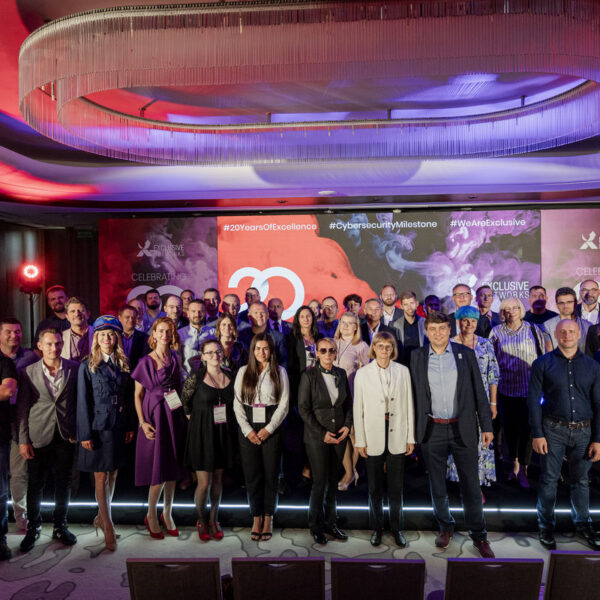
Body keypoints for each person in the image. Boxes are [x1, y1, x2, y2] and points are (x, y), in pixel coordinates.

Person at [410, 312, 495, 558]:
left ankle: (479, 535)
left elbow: (479, 392)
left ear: (450, 330)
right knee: (437, 484)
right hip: (431, 428)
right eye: (433, 329)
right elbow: (412, 395)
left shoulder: (465, 354)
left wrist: (487, 427)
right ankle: (445, 527)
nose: (438, 333)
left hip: (462, 427)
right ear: (427, 332)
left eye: (442, 328)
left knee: (471, 485)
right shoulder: (416, 356)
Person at [528, 319, 600, 550]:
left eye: (571, 331)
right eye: (563, 332)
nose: (567, 335)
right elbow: (533, 401)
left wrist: (598, 439)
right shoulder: (542, 363)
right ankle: (545, 526)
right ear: (556, 335)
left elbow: (598, 403)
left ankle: (583, 524)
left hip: (584, 432)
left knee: (581, 481)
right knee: (549, 479)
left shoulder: (593, 366)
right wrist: (537, 433)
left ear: (579, 334)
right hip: (552, 430)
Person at [16, 329, 78, 553]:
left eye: (58, 343)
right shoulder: (27, 372)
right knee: (36, 484)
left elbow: (79, 402)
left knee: (63, 483)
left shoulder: (74, 368)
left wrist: (78, 430)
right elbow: (22, 408)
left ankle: (60, 526)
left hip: (65, 434)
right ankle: (34, 526)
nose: (54, 348)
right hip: (38, 434)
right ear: (40, 346)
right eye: (49, 344)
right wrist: (23, 440)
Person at [77, 316, 135, 552]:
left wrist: (130, 425)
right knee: (100, 476)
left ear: (117, 337)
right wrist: (85, 434)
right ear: (96, 338)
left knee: (113, 474)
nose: (107, 338)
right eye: (102, 335)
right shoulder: (87, 365)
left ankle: (102, 518)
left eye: (111, 334)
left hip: (118, 426)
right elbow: (83, 402)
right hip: (98, 429)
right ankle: (108, 527)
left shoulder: (123, 363)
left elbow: (128, 399)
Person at [354, 331, 415, 547]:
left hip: (397, 431)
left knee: (396, 487)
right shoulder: (363, 374)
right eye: (380, 346)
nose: (384, 350)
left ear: (393, 349)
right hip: (372, 434)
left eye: (388, 346)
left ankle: (397, 528)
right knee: (375, 487)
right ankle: (377, 528)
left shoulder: (403, 371)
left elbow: (409, 405)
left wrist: (410, 437)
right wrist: (360, 440)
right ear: (374, 348)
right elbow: (358, 409)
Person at [132, 317, 186, 539]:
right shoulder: (145, 362)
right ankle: (151, 514)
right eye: (161, 331)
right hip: (154, 416)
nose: (165, 334)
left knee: (173, 467)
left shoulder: (175, 358)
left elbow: (179, 389)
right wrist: (142, 422)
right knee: (158, 469)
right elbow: (137, 395)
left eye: (168, 331)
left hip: (174, 415)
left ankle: (167, 513)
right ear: (154, 334)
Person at [234, 333, 289, 541]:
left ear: (271, 350)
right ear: (252, 350)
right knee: (252, 475)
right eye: (257, 348)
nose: (261, 352)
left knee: (271, 475)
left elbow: (284, 404)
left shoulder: (280, 371)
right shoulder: (243, 371)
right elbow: (237, 403)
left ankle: (268, 518)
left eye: (265, 348)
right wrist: (247, 430)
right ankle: (256, 517)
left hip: (271, 423)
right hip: (248, 424)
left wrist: (270, 428)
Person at [489, 297, 549, 488]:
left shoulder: (533, 329)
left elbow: (542, 358)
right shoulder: (496, 332)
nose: (511, 312)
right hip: (506, 390)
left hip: (529, 390)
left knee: (527, 431)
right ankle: (514, 465)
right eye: (507, 309)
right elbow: (491, 362)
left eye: (515, 308)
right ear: (502, 313)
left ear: (521, 310)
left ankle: (524, 468)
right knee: (510, 430)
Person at [299, 337, 352, 545]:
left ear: (336, 352)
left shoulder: (341, 373)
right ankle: (316, 526)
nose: (328, 354)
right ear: (317, 353)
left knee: (333, 481)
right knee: (320, 482)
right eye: (323, 350)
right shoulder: (309, 376)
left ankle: (331, 523)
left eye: (331, 350)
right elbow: (303, 409)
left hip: (339, 435)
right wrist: (322, 433)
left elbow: (348, 404)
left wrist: (347, 425)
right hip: (317, 437)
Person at [182, 339, 236, 541]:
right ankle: (201, 520)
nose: (215, 355)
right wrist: (198, 420)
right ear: (203, 356)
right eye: (210, 352)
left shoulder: (231, 376)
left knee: (218, 480)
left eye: (218, 351)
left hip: (223, 434)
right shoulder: (195, 378)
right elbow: (185, 403)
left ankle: (214, 518)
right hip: (202, 435)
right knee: (204, 483)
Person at [447, 306, 499, 491]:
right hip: (458, 402)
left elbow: (493, 375)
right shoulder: (450, 344)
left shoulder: (486, 344)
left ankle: (477, 485)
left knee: (482, 440)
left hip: (482, 402)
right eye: (465, 320)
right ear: (458, 322)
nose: (469, 324)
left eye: (473, 321)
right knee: (460, 441)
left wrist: (493, 403)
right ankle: (462, 484)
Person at [0, 318, 38, 531]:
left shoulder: (30, 357)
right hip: (1, 418)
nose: (13, 336)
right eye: (8, 332)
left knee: (19, 471)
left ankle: (21, 517)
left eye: (17, 331)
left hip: (21, 418)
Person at [332, 312, 369, 490]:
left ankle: (350, 472)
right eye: (343, 322)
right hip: (334, 398)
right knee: (341, 435)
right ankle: (349, 471)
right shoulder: (332, 343)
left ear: (356, 327)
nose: (345, 326)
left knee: (353, 434)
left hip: (353, 396)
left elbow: (368, 373)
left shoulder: (362, 346)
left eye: (350, 323)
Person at [0, 354, 17, 559]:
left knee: (0, 492)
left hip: (0, 436)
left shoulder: (4, 362)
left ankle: (0, 539)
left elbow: (7, 391)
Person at [238, 302, 287, 368]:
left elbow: (283, 362)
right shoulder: (241, 337)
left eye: (262, 312)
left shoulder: (278, 337)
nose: (259, 315)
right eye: (256, 313)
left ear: (268, 315)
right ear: (249, 316)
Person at [542, 287, 591, 353]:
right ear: (557, 305)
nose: (565, 306)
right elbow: (548, 354)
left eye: (569, 302)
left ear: (576, 303)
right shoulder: (547, 326)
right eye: (561, 303)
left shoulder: (588, 326)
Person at [178, 299, 213, 375]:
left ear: (205, 313)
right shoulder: (179, 334)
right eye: (193, 311)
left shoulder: (214, 333)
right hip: (186, 377)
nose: (197, 314)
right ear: (188, 313)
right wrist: (186, 379)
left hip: (209, 377)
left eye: (200, 311)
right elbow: (177, 361)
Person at [392, 291, 427, 365]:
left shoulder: (425, 323)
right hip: (403, 364)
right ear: (401, 306)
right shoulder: (395, 325)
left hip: (422, 363)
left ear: (417, 304)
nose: (409, 307)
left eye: (412, 303)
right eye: (406, 304)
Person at [61, 297, 94, 362]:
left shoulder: (98, 334)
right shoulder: (61, 337)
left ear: (88, 314)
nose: (77, 314)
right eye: (72, 311)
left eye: (81, 311)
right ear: (67, 316)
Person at [118, 304, 149, 371]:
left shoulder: (145, 337)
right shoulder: (114, 336)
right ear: (119, 318)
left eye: (133, 317)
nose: (131, 320)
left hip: (137, 374)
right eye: (127, 317)